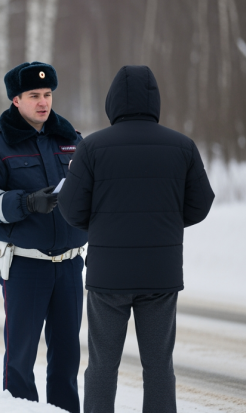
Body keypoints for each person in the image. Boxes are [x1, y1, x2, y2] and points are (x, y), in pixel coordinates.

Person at [57, 65, 215, 413]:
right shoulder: (183, 147)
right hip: (161, 275)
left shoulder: (93, 148)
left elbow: (70, 208)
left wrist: (99, 225)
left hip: (107, 278)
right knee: (159, 367)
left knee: (101, 367)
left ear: (112, 101)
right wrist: (167, 222)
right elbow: (201, 204)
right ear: (155, 101)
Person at [0, 61, 88, 413]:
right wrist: (26, 202)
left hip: (69, 266)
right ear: (16, 100)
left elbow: (90, 193)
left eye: (47, 94)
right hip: (25, 265)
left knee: (66, 360)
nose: (43, 102)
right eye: (34, 95)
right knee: (20, 360)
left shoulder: (72, 140)